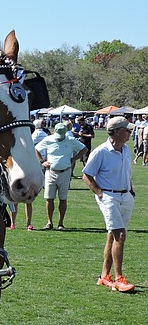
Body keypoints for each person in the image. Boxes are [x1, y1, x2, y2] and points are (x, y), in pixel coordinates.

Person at [82, 117, 136, 293]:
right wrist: (101, 195)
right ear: (116, 131)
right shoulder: (100, 152)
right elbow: (87, 175)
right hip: (109, 196)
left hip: (125, 195)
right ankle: (119, 278)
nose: (130, 133)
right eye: (126, 130)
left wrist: (131, 190)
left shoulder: (126, 150)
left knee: (113, 236)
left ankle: (105, 276)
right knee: (119, 235)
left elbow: (126, 173)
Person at [35, 122, 87, 230]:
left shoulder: (70, 140)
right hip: (51, 172)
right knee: (49, 198)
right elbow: (36, 149)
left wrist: (74, 159)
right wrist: (42, 161)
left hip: (65, 172)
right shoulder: (49, 139)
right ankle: (49, 222)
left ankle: (60, 223)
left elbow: (84, 149)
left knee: (63, 198)